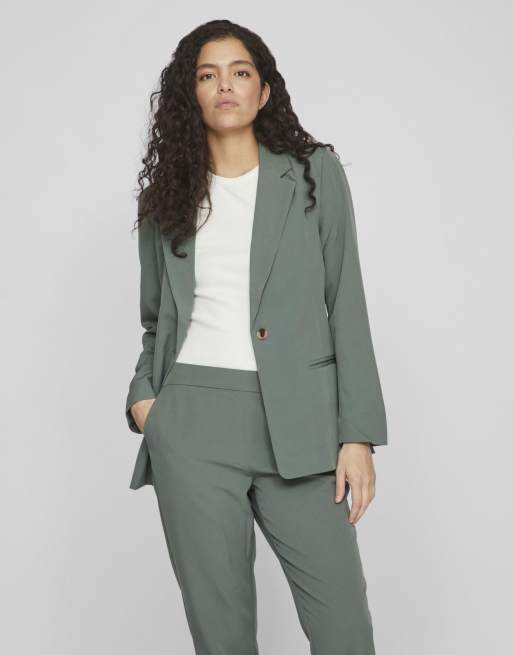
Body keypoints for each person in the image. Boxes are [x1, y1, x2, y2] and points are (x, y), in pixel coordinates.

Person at [125, 19, 387, 655]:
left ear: (263, 90)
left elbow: (346, 304)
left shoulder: (314, 174)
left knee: (344, 630)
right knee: (222, 637)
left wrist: (356, 435)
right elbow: (156, 319)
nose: (225, 86)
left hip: (300, 423)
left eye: (240, 72)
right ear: (191, 95)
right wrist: (146, 402)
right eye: (207, 75)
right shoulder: (167, 198)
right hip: (192, 421)